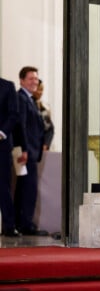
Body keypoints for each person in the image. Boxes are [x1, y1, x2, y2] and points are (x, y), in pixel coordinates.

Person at [14, 66, 47, 236]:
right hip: (27, 152)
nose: (35, 81)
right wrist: (25, 150)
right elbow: (22, 126)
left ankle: (22, 223)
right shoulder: (21, 98)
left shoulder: (31, 100)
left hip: (32, 151)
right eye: (31, 79)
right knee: (28, 189)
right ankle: (25, 224)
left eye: (36, 78)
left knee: (25, 188)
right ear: (22, 81)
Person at [0, 77, 23, 237]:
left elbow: (14, 114)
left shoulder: (7, 86)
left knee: (3, 186)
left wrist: (1, 133)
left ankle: (9, 226)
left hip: (1, 145)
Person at [32, 80, 54, 151]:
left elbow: (49, 128)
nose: (41, 92)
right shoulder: (23, 102)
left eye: (42, 90)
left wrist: (46, 145)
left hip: (41, 149)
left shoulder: (43, 108)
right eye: (39, 89)